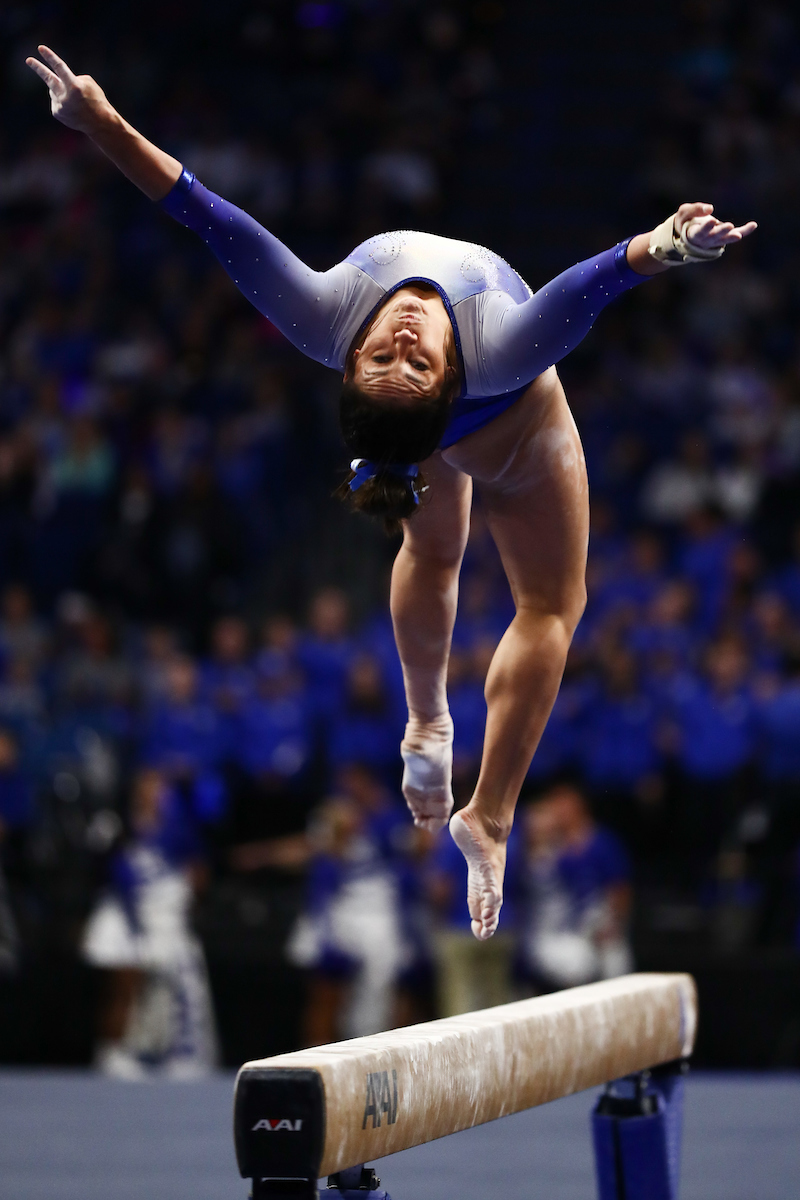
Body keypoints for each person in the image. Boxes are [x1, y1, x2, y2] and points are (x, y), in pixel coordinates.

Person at [27, 45, 757, 940]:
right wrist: (674, 243)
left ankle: (431, 735)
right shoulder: (504, 347)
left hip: (457, 432)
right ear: (446, 380)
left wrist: (100, 125)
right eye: (410, 358)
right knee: (552, 607)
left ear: (351, 361)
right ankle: (483, 808)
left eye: (389, 354)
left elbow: (202, 213)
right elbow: (603, 278)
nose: (406, 333)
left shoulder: (321, 316)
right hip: (501, 423)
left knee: (434, 545)